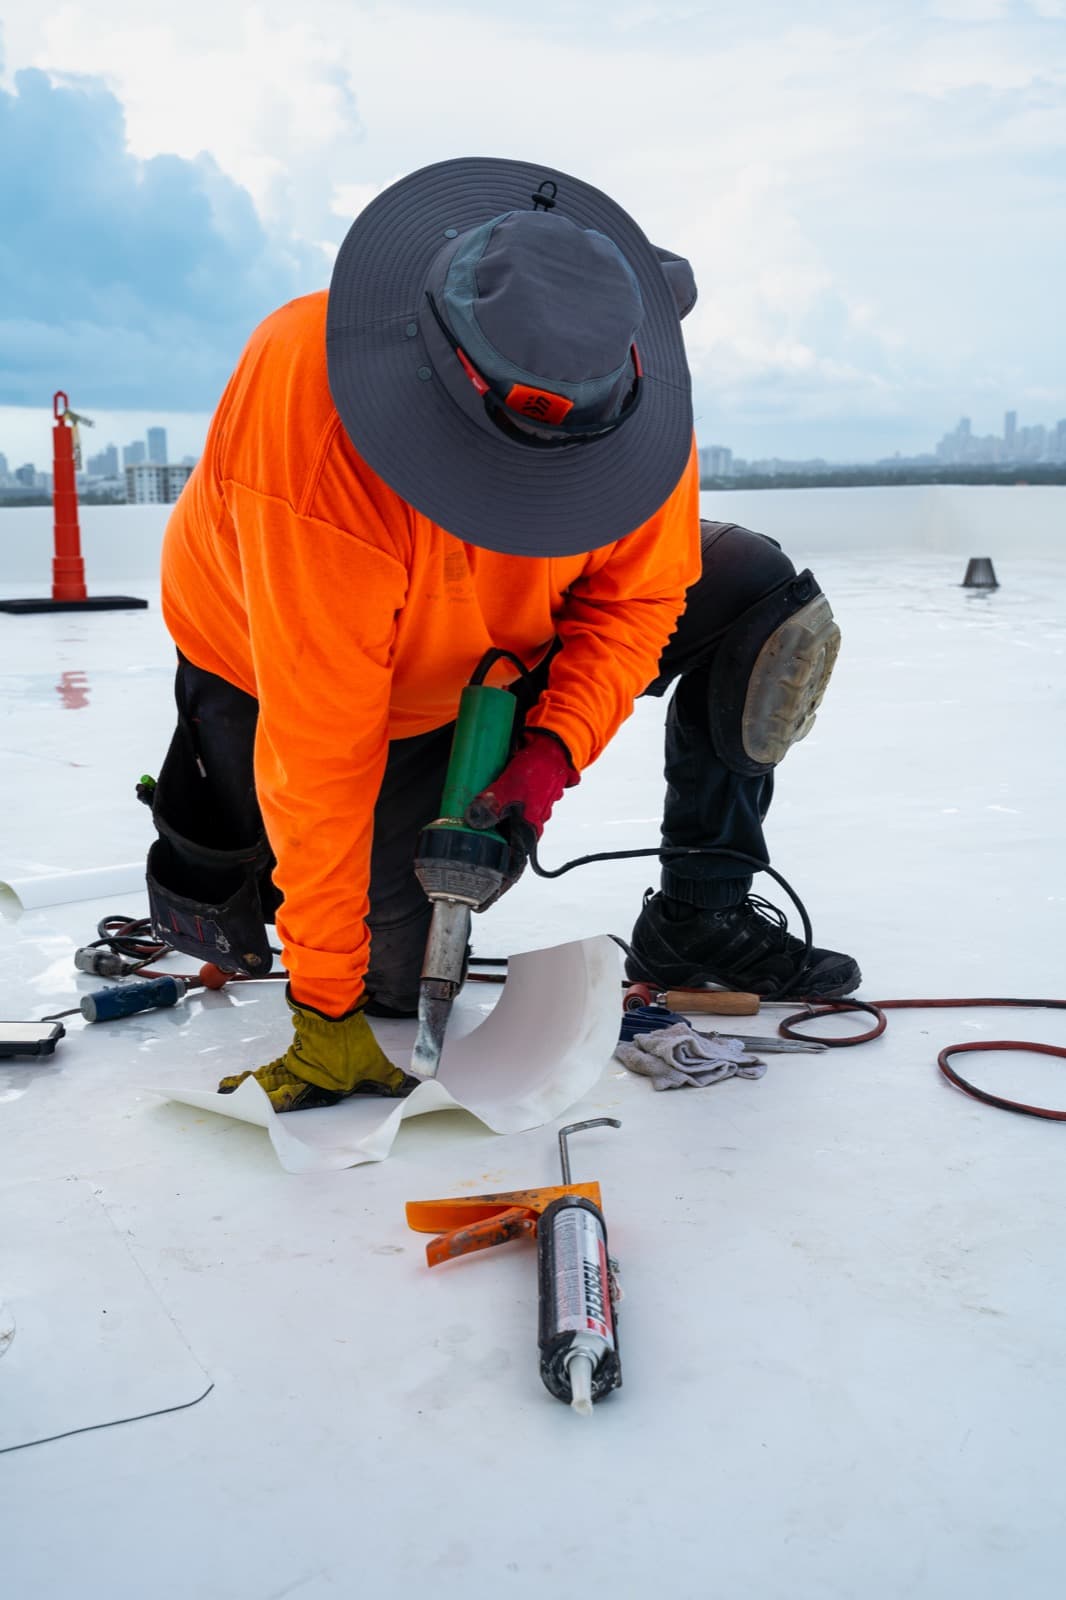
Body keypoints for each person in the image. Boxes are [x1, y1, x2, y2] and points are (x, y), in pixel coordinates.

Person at [144, 156, 858, 1113]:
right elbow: (323, 746)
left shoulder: (630, 386)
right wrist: (323, 1005)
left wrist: (549, 756)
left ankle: (704, 911)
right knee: (386, 990)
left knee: (762, 595)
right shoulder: (313, 423)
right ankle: (240, 851)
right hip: (287, 670)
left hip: (495, 642)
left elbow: (638, 603)